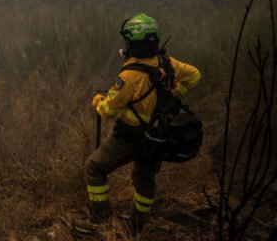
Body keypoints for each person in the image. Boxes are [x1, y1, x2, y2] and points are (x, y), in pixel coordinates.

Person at [82, 14, 202, 231]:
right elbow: (195, 76)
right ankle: (137, 226)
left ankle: (100, 218)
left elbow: (109, 110)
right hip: (158, 137)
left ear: (132, 43)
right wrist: (175, 93)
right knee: (144, 179)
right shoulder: (167, 63)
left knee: (94, 167)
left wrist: (98, 101)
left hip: (130, 137)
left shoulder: (129, 75)